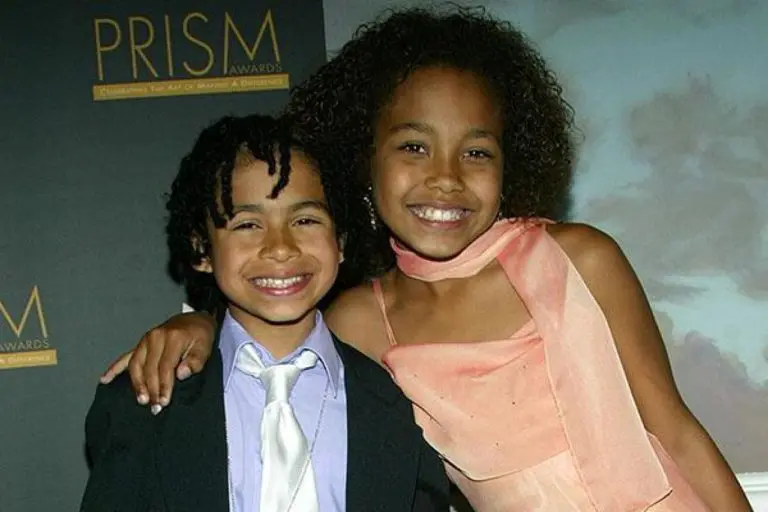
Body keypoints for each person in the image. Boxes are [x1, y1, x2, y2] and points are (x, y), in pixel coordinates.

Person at [101, 7, 751, 511]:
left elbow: (678, 431)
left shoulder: (581, 258)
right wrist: (199, 325)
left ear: (511, 163)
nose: (445, 177)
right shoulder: (361, 320)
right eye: (414, 147)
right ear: (363, 158)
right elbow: (275, 334)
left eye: (477, 152)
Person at [81, 114, 450, 511]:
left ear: (340, 240)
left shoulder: (396, 403)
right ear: (202, 248)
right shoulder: (146, 399)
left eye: (305, 220)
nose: (280, 247)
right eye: (247, 225)